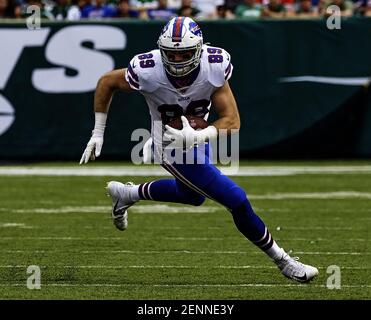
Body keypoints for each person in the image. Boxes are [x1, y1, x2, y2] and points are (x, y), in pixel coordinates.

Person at [80, 16, 319, 283]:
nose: (177, 61)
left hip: (197, 138)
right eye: (171, 54)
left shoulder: (213, 65)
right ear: (161, 49)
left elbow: (232, 121)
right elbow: (106, 82)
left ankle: (128, 193)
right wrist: (98, 132)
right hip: (169, 145)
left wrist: (198, 136)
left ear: (198, 49)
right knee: (236, 199)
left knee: (194, 196)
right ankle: (283, 261)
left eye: (184, 54)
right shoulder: (147, 69)